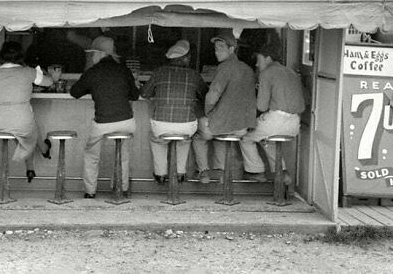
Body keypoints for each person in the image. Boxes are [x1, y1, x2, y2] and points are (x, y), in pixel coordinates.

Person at [69, 36, 139, 198]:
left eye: (92, 53)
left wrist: (92, 87)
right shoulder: (124, 70)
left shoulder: (93, 72)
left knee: (91, 154)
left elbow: (75, 93)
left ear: (99, 54)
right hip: (127, 122)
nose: (91, 57)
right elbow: (135, 96)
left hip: (102, 122)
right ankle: (122, 188)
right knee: (123, 154)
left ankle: (90, 192)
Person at [192, 30, 257, 184]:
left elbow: (212, 95)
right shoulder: (248, 69)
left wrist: (208, 113)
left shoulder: (225, 67)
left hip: (223, 126)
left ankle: (204, 172)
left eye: (221, 47)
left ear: (232, 49)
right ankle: (222, 173)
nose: (216, 51)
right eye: (215, 48)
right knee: (221, 138)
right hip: (242, 127)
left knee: (199, 136)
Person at [0, 41, 54, 183]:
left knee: (22, 129)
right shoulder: (28, 71)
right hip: (22, 121)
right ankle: (44, 149)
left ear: (1, 55)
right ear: (21, 56)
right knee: (27, 127)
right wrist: (53, 75)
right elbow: (49, 82)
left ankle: (30, 167)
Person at [140, 40, 208, 184]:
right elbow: (205, 96)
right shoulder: (194, 75)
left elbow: (144, 94)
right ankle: (181, 173)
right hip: (186, 126)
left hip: (161, 126)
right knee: (185, 140)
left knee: (157, 140)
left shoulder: (159, 72)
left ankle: (160, 174)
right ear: (186, 58)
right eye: (189, 57)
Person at [240, 43, 306, 184]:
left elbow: (261, 106)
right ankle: (282, 172)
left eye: (259, 59)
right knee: (266, 141)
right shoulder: (292, 72)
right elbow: (305, 99)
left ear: (268, 58)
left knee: (245, 137)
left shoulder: (266, 73)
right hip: (294, 123)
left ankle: (255, 171)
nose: (257, 64)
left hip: (276, 120)